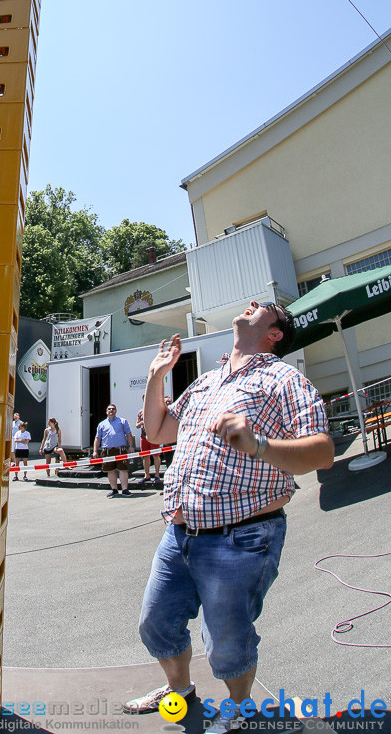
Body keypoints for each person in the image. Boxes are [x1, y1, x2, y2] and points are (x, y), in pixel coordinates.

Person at [123, 300, 334, 732]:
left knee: (226, 642)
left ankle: (240, 709)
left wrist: (259, 446)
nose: (252, 304)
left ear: (275, 333)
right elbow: (159, 431)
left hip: (241, 537)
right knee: (156, 624)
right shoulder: (208, 380)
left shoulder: (283, 378)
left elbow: (323, 452)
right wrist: (156, 375)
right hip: (180, 532)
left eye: (264, 307)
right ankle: (179, 692)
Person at [93, 404, 134, 497]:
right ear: (106, 411)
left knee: (123, 470)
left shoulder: (123, 421)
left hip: (121, 450)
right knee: (110, 470)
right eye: (109, 409)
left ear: (116, 411)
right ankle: (114, 489)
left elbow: (128, 434)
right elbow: (97, 438)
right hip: (107, 451)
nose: (111, 410)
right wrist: (95, 451)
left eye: (113, 409)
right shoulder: (101, 424)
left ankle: (125, 490)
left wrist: (131, 446)